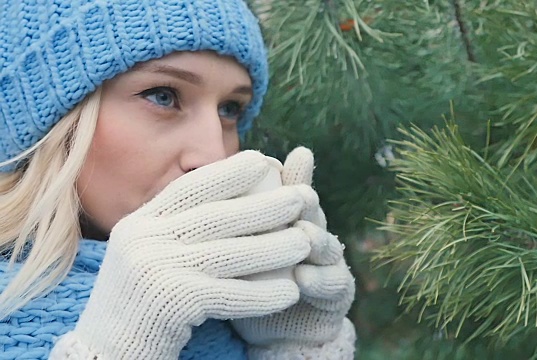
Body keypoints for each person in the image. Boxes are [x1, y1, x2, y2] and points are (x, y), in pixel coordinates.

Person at [0, 0, 356, 359]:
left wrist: (294, 347)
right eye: (163, 96)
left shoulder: (232, 319)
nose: (214, 155)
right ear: (48, 123)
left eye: (229, 109)